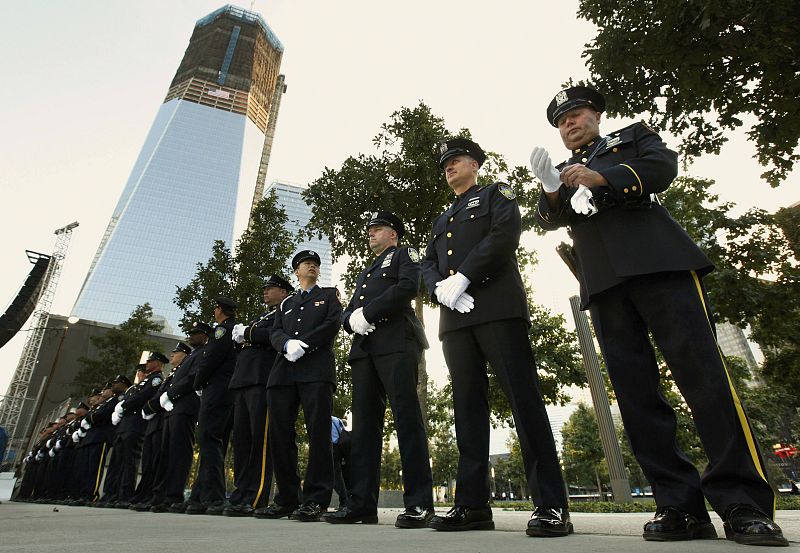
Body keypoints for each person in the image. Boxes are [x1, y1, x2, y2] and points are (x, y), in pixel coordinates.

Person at [531, 85, 787, 547]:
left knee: (704, 379)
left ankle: (742, 502)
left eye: (576, 114)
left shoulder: (629, 140)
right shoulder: (565, 171)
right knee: (636, 396)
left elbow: (661, 167)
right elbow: (550, 219)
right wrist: (552, 189)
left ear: (596, 115)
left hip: (660, 266)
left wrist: (601, 179)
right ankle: (678, 504)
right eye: (561, 121)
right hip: (605, 283)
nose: (569, 124)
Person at [421, 138, 572, 536]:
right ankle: (471, 505)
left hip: (496, 308)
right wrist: (438, 287)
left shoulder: (495, 194)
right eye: (445, 164)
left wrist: (465, 276)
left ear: (474, 163)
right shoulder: (442, 218)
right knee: (467, 408)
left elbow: (504, 235)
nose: (449, 167)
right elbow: (426, 265)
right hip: (455, 317)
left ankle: (551, 505)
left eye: (455, 160)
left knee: (523, 399)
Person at [324, 212, 433, 528]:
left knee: (406, 418)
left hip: (396, 340)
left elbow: (407, 288)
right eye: (369, 229)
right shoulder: (367, 271)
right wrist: (349, 320)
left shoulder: (404, 255)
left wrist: (367, 313)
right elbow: (349, 312)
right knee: (365, 429)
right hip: (365, 349)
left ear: (394, 234)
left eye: (378, 229)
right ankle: (361, 504)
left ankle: (419, 503)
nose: (371, 233)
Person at [261, 250, 342, 522]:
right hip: (283, 372)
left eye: (316, 264)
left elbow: (333, 324)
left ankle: (316, 500)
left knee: (319, 434)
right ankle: (286, 498)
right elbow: (274, 330)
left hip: (316, 370)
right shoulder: (286, 303)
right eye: (307, 264)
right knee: (280, 435)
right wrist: (286, 344)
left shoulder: (329, 295)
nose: (312, 266)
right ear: (296, 271)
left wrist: (303, 344)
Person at [225, 274, 293, 517]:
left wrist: (249, 333)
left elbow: (274, 336)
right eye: (264, 288)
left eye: (271, 288)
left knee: (259, 442)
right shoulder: (262, 315)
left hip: (262, 379)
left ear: (284, 291)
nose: (265, 292)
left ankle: (256, 496)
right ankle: (241, 493)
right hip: (244, 379)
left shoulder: (286, 310)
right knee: (242, 441)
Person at [151, 322, 210, 513]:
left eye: (195, 333)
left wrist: (171, 394)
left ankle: (173, 495)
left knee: (179, 453)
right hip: (173, 408)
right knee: (166, 453)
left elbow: (192, 379)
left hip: (185, 406)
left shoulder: (203, 353)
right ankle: (160, 495)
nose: (191, 336)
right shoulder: (192, 355)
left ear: (205, 336)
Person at [189, 297, 239, 515]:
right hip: (225, 391)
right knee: (211, 441)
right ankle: (199, 497)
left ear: (220, 310)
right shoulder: (230, 330)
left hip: (217, 390)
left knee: (209, 439)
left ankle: (216, 497)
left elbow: (210, 360)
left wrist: (198, 382)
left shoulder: (222, 331)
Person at [108, 354, 165, 508]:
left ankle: (125, 495)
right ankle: (115, 494)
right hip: (126, 425)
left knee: (129, 461)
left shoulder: (156, 379)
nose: (147, 364)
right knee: (119, 462)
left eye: (150, 361)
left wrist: (124, 406)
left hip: (136, 424)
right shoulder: (144, 381)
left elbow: (143, 397)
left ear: (158, 363)